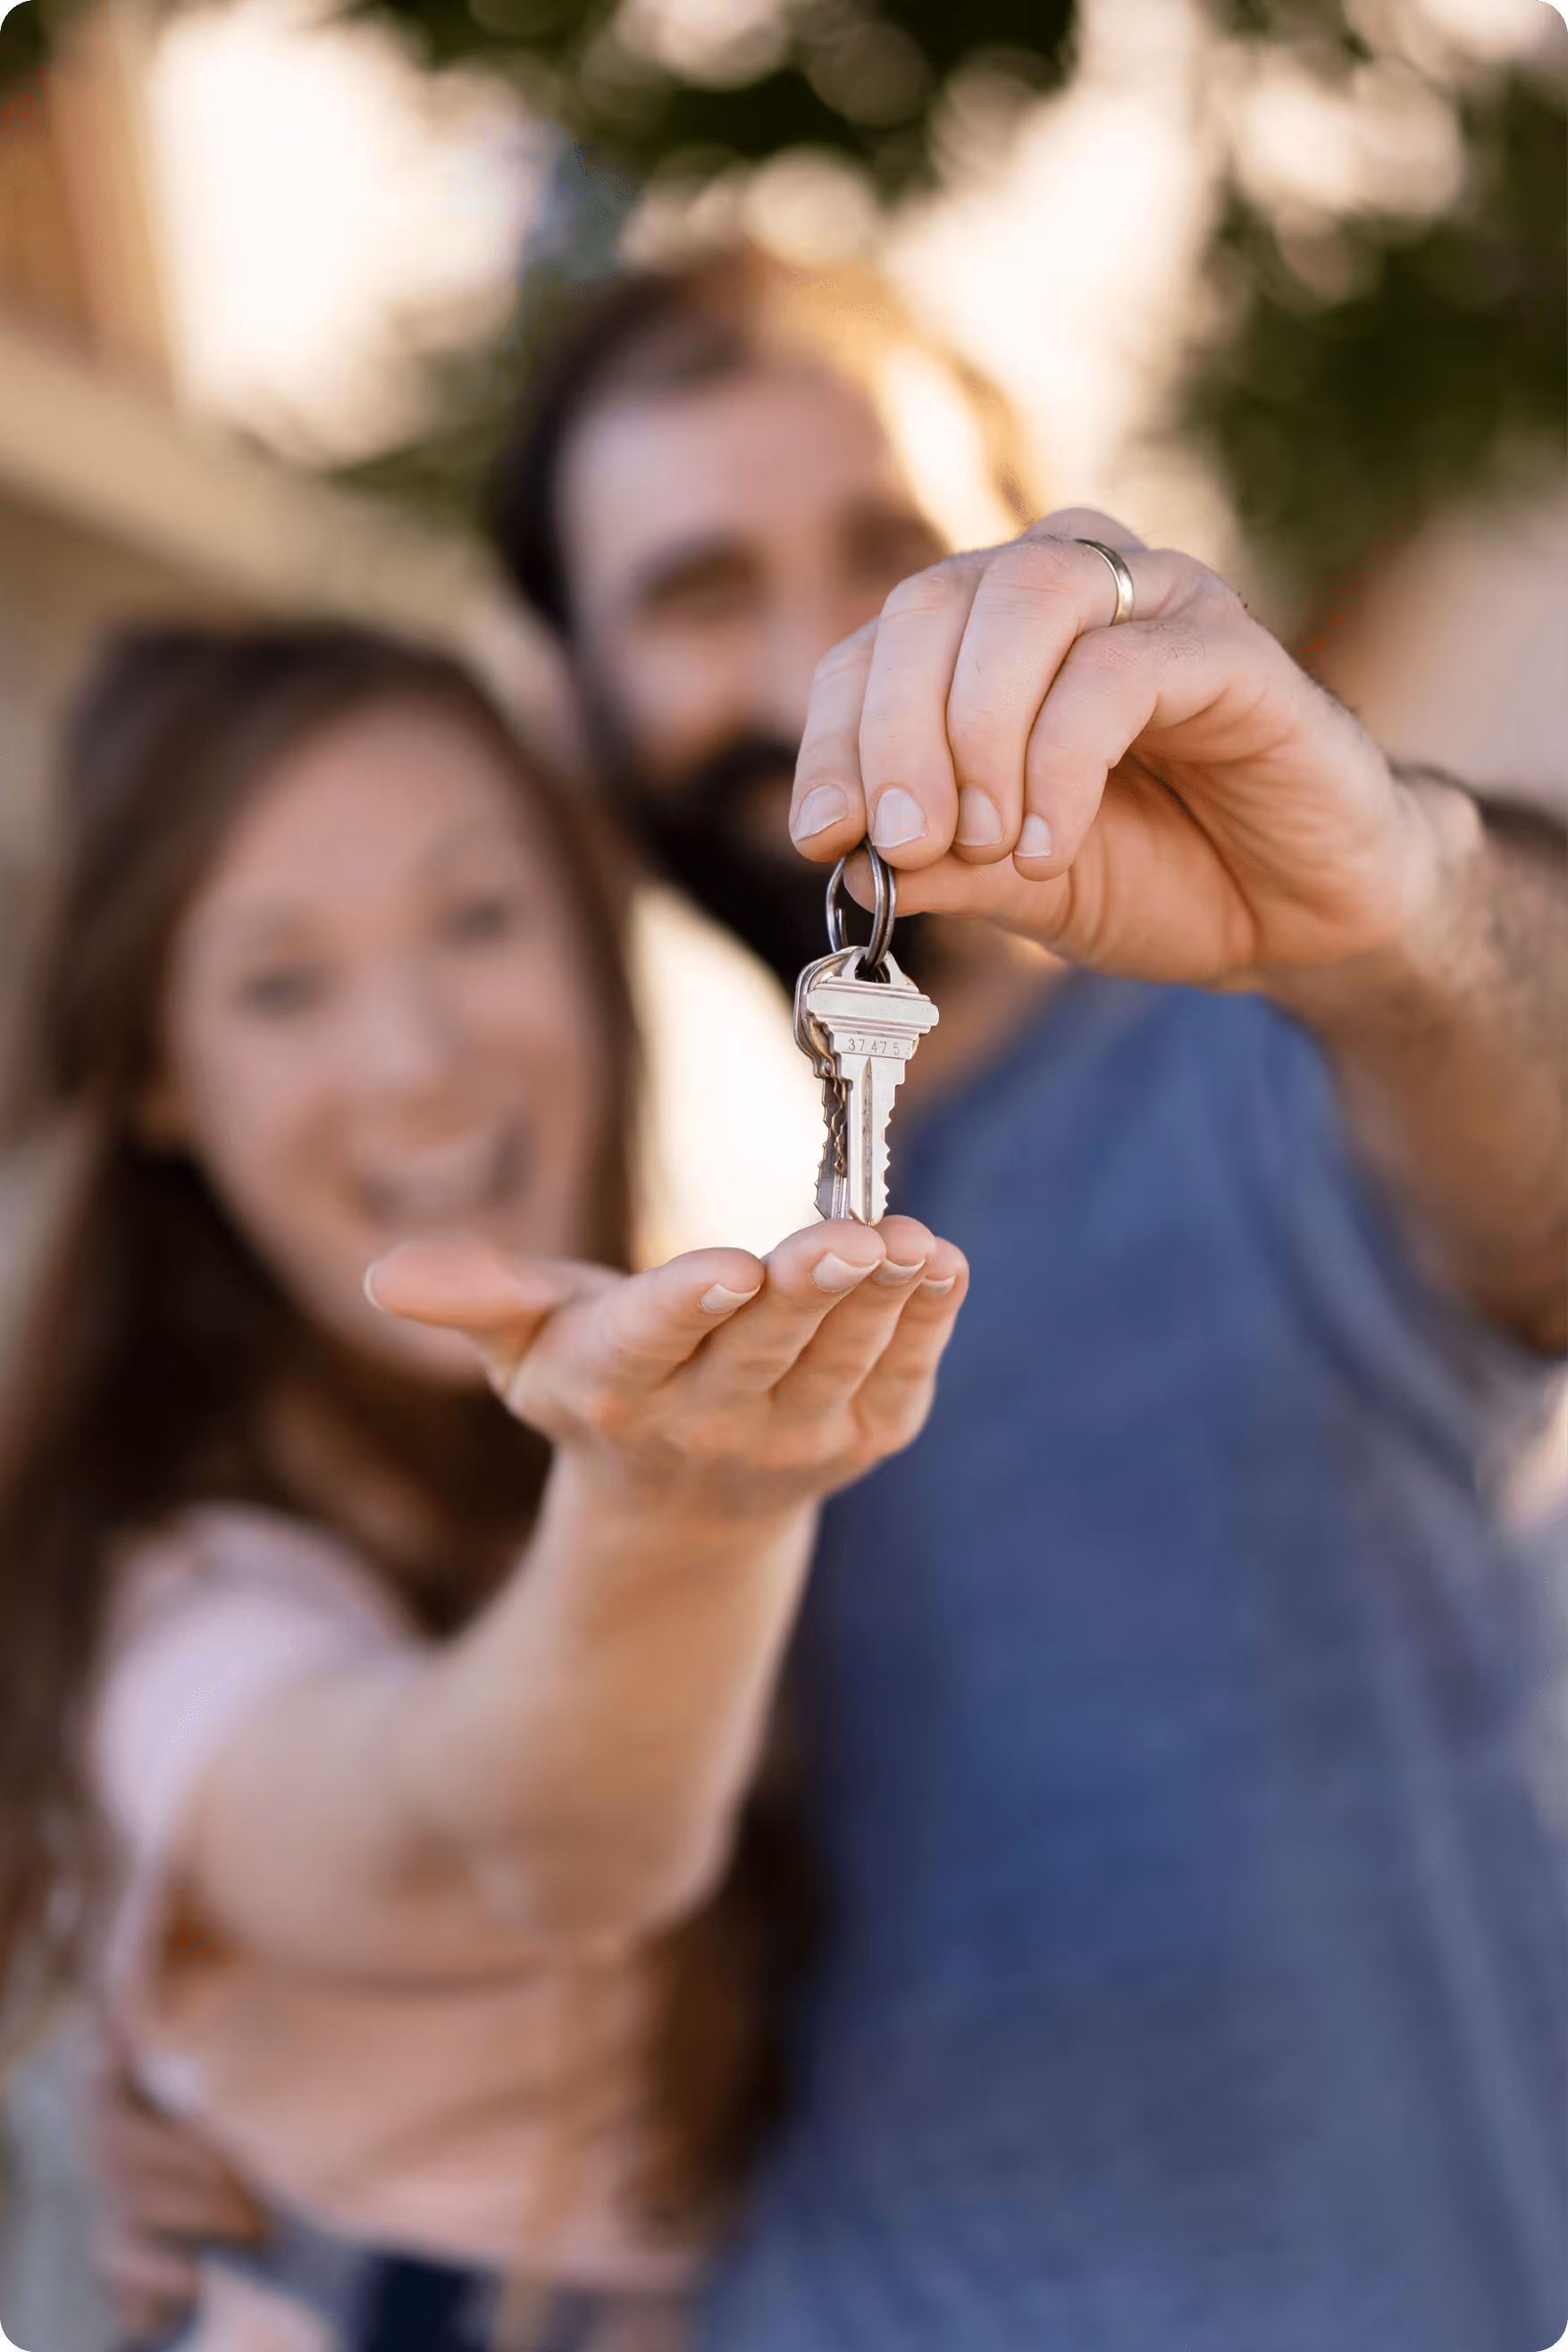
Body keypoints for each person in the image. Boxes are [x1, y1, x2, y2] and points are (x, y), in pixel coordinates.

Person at [102, 253, 1568, 2352]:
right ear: (571, 707)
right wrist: (258, 2090)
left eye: (889, 555)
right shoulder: (652, 1251)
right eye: (696, 590)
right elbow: (454, 1828)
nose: (810, 661)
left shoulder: (1300, 1064)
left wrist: (1402, 903)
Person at [0, 619, 967, 2351]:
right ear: (155, 1073)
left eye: (477, 915)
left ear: (594, 946)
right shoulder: (177, 1592)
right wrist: (677, 1521)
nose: (415, 1057)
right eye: (281, 983)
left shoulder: (660, 1384)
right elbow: (481, 1833)